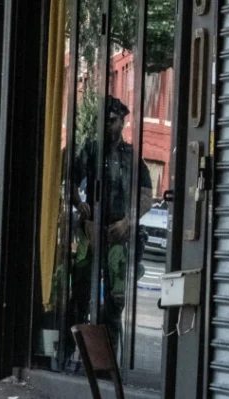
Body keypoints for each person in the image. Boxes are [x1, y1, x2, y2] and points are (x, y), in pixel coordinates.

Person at [69, 96, 153, 356]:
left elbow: (146, 195)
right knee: (81, 292)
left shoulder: (130, 157)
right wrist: (80, 205)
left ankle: (107, 358)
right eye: (105, 120)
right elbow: (71, 179)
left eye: (114, 120)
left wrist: (128, 221)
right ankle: (76, 352)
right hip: (93, 232)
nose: (109, 125)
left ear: (123, 122)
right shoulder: (91, 150)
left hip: (119, 234)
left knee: (116, 301)